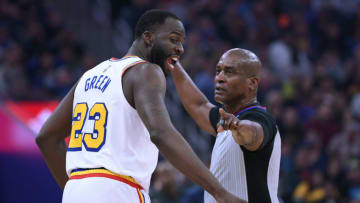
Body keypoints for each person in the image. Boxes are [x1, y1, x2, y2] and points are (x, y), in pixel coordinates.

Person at [35, 10, 245, 203]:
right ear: (148, 37)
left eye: (181, 43)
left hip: (76, 191)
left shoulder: (89, 75)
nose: (180, 49)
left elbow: (46, 137)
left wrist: (79, 189)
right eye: (174, 40)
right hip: (118, 190)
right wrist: (220, 192)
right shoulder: (146, 71)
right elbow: (160, 133)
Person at [166, 48, 281, 203]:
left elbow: (253, 135)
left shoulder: (260, 118)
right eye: (218, 71)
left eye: (229, 72)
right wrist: (173, 62)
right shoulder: (226, 120)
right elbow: (197, 105)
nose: (219, 78)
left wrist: (239, 127)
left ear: (252, 83)